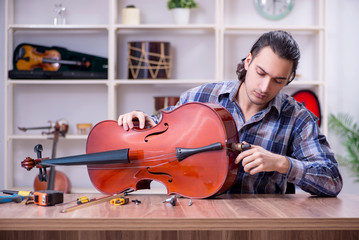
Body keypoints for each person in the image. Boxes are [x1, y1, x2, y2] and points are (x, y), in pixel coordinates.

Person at [118, 30, 343, 197]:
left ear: (289, 79)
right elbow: (158, 129)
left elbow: (332, 181)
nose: (265, 87)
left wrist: (282, 163)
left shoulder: (298, 118)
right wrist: (141, 121)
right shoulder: (200, 97)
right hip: (192, 214)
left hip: (260, 224)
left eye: (278, 80)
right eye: (261, 73)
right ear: (248, 61)